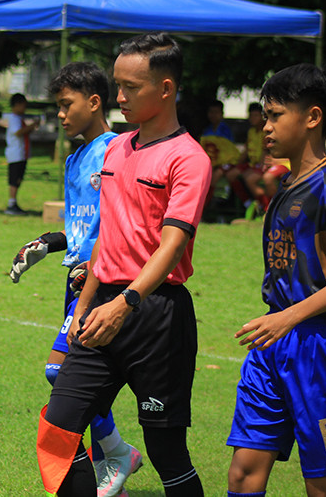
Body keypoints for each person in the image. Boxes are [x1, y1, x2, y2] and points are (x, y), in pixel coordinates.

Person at [35, 33, 211, 497]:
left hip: (156, 314)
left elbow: (172, 246)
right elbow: (107, 238)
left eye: (132, 87)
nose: (120, 97)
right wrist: (83, 307)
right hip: (101, 306)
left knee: (166, 451)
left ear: (166, 88)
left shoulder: (188, 158)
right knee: (57, 430)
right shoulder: (116, 149)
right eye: (118, 85)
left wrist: (127, 303)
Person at [226, 63, 326, 497]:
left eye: (275, 115)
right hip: (271, 342)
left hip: (316, 345)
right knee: (242, 475)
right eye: (265, 116)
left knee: (324, 488)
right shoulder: (287, 183)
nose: (265, 127)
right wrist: (279, 320)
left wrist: (289, 317)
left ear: (312, 117)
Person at [9, 61, 139, 497]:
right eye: (58, 107)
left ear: (95, 102)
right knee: (75, 380)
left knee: (59, 371)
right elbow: (82, 228)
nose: (61, 115)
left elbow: (118, 222)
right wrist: (48, 243)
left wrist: (97, 263)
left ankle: (118, 453)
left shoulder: (116, 151)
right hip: (76, 280)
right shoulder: (75, 158)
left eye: (67, 105)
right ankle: (110, 469)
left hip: (104, 282)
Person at [4, 93, 38, 215]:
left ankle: (14, 203)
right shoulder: (14, 119)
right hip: (15, 154)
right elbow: (18, 132)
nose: (25, 108)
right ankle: (11, 204)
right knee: (14, 179)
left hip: (21, 154)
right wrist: (32, 126)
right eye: (23, 105)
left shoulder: (18, 118)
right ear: (17, 104)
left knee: (18, 179)